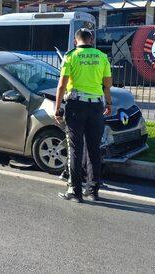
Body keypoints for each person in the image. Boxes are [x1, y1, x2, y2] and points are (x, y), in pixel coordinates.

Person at [54, 28, 113, 203]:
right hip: (96, 107)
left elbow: (61, 85)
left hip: (75, 106)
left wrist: (57, 109)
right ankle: (93, 191)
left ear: (75, 41)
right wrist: (108, 104)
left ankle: (75, 191)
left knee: (75, 148)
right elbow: (107, 85)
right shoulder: (102, 57)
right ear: (92, 41)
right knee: (94, 149)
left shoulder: (71, 56)